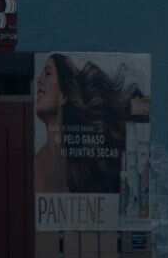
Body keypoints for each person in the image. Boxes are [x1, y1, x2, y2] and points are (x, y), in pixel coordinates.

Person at [34, 53, 133, 194]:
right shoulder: (38, 163)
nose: (39, 79)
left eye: (48, 73)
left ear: (64, 95)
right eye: (41, 74)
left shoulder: (83, 163)